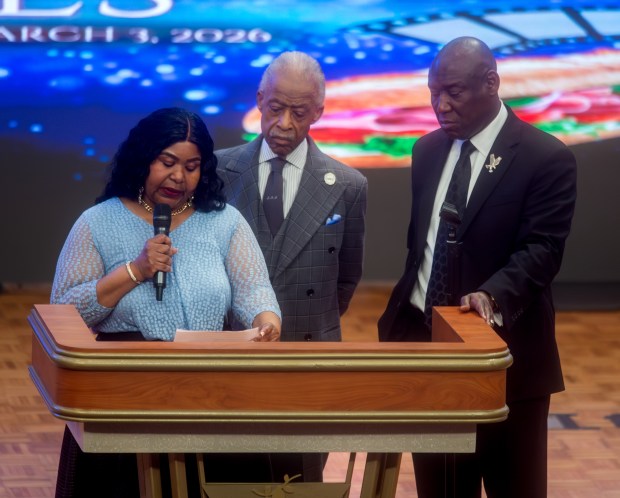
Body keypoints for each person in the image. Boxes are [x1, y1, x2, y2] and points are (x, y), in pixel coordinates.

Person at [378, 37, 577, 498]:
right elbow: (423, 246)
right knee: (441, 488)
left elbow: (542, 250)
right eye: (432, 93)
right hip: (426, 355)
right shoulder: (425, 151)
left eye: (453, 92)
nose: (440, 105)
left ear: (491, 83)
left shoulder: (545, 158)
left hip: (506, 362)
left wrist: (491, 294)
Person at [51, 107, 282, 498]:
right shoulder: (97, 222)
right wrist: (134, 270)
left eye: (192, 166)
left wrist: (266, 321)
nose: (179, 177)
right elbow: (64, 313)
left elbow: (254, 290)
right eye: (168, 162)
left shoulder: (224, 222)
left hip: (211, 393)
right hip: (124, 396)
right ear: (144, 157)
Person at [211, 51, 368, 482]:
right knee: (225, 477)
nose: (284, 124)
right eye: (276, 108)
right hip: (230, 352)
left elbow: (346, 280)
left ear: (319, 111)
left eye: (298, 112)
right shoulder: (216, 172)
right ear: (259, 99)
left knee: (301, 478)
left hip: (308, 355)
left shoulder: (348, 186)